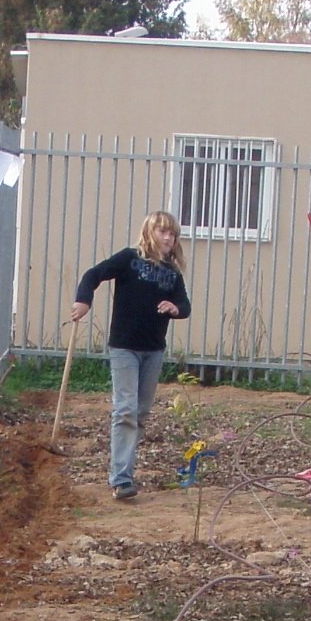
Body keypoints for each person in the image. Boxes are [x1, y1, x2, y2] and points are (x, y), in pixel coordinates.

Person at [70, 210, 192, 501]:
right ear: (150, 233)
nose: (168, 237)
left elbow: (184, 305)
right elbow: (93, 275)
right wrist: (83, 300)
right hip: (124, 348)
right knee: (125, 409)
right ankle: (121, 479)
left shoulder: (172, 274)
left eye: (172, 233)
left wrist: (176, 309)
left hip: (153, 351)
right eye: (163, 231)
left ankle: (124, 466)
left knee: (141, 412)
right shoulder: (129, 259)